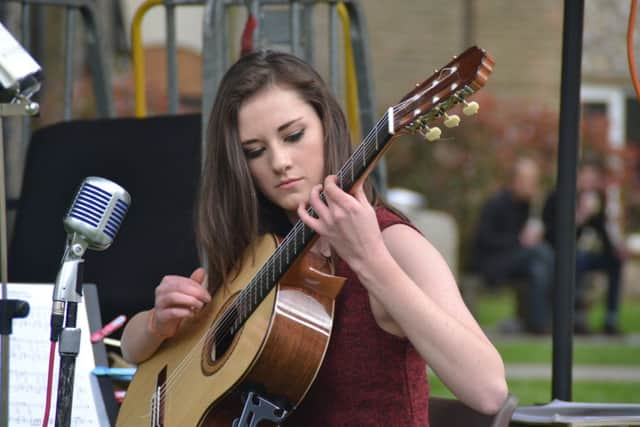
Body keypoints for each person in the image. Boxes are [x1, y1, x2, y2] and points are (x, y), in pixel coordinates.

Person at [120, 50, 507, 424]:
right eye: (254, 151)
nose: (279, 161)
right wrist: (157, 321)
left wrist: (372, 261)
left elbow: (488, 390)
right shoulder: (258, 252)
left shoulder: (394, 242)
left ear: (327, 125)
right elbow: (131, 348)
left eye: (293, 135)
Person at [470, 157, 554, 334]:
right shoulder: (496, 204)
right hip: (493, 263)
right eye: (528, 181)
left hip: (519, 262)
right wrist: (519, 240)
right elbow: (484, 240)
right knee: (542, 253)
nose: (532, 186)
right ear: (516, 181)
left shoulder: (531, 207)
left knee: (538, 269)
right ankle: (557, 313)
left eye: (534, 181)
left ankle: (537, 324)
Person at [543, 159, 626, 335]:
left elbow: (602, 232)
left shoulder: (596, 200)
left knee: (614, 262)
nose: (589, 183)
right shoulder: (558, 197)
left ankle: (611, 319)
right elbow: (555, 235)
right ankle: (576, 319)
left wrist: (615, 250)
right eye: (586, 178)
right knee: (577, 259)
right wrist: (581, 215)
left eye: (592, 179)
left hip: (581, 256)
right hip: (557, 254)